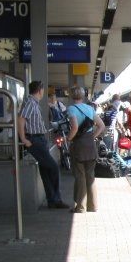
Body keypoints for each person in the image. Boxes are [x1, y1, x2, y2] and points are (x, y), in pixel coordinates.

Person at [17, 80, 68, 209]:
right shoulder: (30, 103)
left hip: (39, 139)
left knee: (45, 170)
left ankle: (52, 201)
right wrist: (23, 138)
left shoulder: (34, 103)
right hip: (34, 140)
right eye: (43, 90)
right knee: (53, 167)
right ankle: (56, 199)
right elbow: (21, 119)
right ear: (40, 90)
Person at [66, 86, 105, 213]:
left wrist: (69, 139)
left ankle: (80, 207)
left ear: (72, 96)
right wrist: (92, 136)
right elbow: (101, 126)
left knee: (80, 175)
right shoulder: (90, 108)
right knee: (90, 175)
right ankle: (93, 206)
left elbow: (75, 127)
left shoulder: (71, 108)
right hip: (90, 144)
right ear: (83, 96)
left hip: (79, 145)